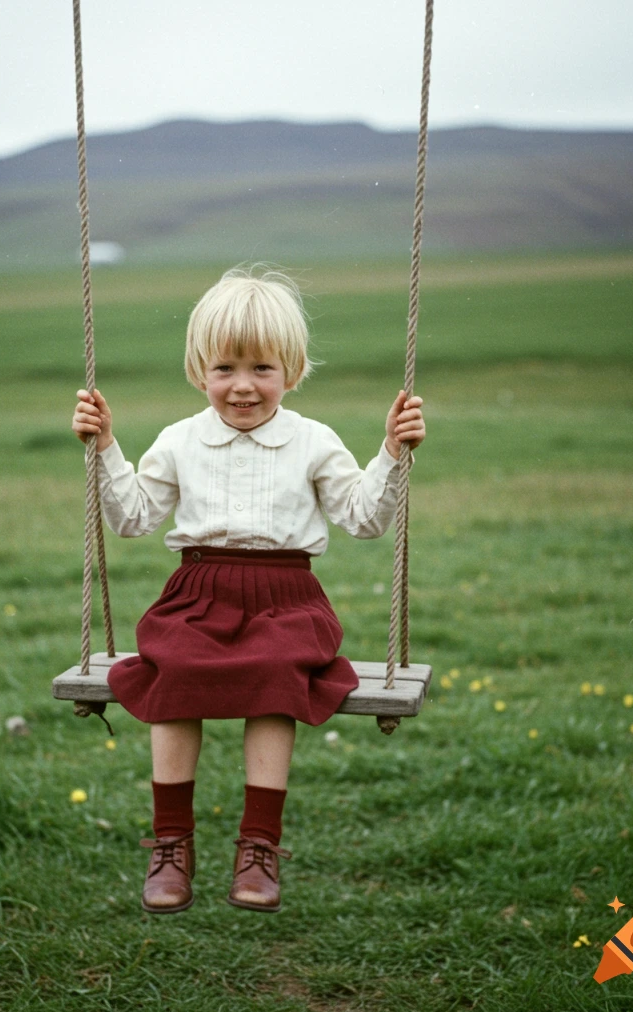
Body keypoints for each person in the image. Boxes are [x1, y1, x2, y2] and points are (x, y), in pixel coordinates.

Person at [70, 267, 426, 914]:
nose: (241, 386)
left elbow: (366, 519)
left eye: (261, 367)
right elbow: (131, 519)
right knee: (173, 667)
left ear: (291, 372)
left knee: (273, 672)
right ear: (198, 371)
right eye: (225, 368)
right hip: (197, 593)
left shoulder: (313, 441)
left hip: (286, 598)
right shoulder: (180, 441)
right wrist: (106, 448)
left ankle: (259, 846)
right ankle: (172, 844)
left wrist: (391, 455)